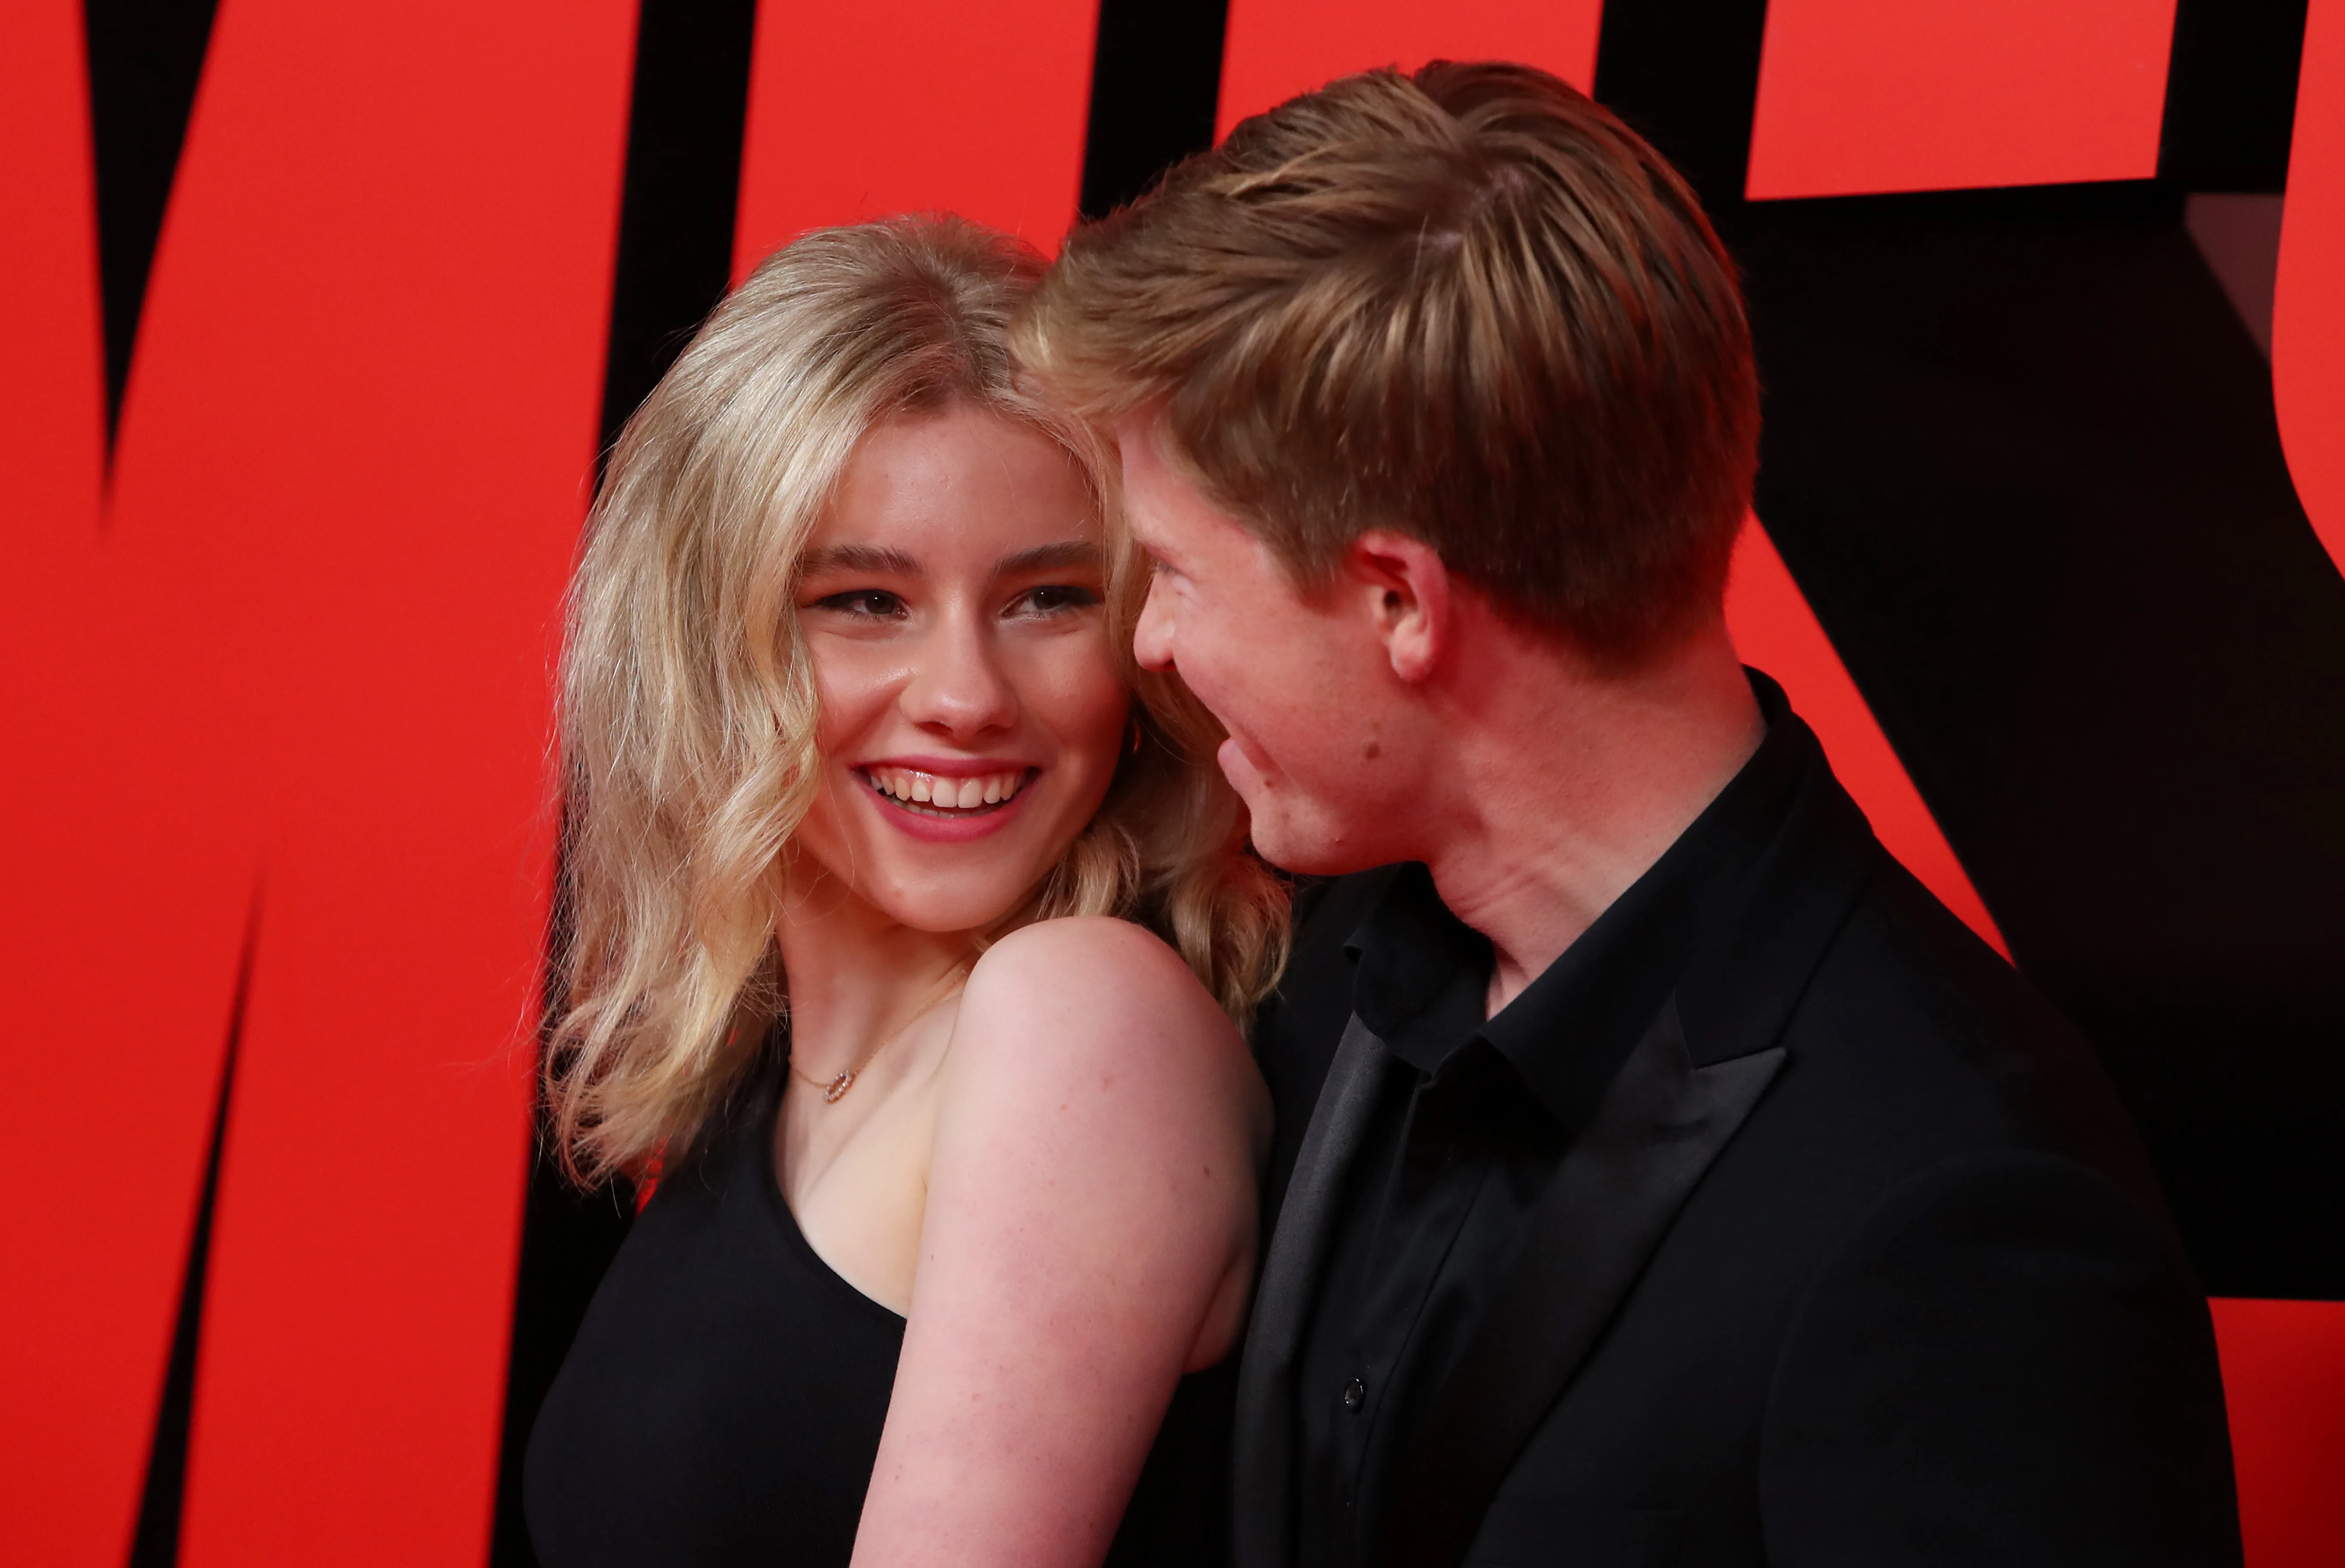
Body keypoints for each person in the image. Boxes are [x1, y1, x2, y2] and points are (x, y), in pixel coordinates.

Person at [1017, 61, 2243, 1568]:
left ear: (1401, 601)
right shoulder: (1309, 974)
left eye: (1179, 575)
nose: (1150, 646)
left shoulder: (1957, 1211)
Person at [521, 215, 1286, 1568]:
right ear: (709, 641)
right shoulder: (763, 1083)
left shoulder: (1076, 1019)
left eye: (1049, 599)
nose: (966, 698)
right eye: (867, 602)